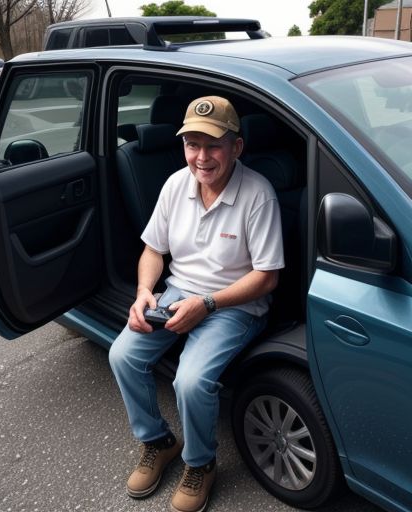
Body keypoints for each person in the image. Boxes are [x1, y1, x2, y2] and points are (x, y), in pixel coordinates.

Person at [109, 95, 284, 512]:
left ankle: (200, 464)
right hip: (177, 295)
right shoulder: (175, 184)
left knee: (190, 381)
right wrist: (144, 292)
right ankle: (158, 442)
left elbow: (267, 277)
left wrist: (207, 304)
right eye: (192, 144)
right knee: (122, 356)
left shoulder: (259, 194)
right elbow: (153, 250)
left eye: (213, 145)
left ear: (236, 147)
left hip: (235, 305)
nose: (201, 158)